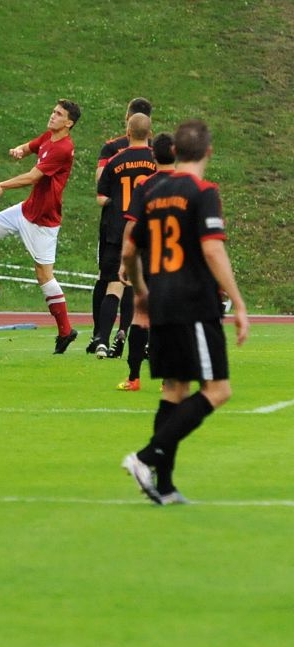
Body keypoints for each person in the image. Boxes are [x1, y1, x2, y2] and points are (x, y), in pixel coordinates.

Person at [120, 119, 248, 505]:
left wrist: (141, 290)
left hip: (161, 300)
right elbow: (211, 249)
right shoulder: (203, 191)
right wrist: (238, 302)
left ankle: (166, 484)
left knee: (175, 390)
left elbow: (129, 249)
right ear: (208, 152)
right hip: (194, 302)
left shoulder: (151, 189)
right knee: (218, 390)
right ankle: (143, 458)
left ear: (174, 152)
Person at [0, 99, 82, 353]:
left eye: (58, 114)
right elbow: (32, 146)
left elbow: (33, 177)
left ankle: (66, 331)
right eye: (53, 111)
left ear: (69, 123)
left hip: (44, 221)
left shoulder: (63, 148)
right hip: (27, 209)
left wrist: (0, 185)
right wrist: (20, 150)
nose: (52, 115)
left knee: (44, 275)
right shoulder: (49, 136)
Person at [88, 97, 154, 358]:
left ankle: (101, 339)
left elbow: (100, 196)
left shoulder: (115, 158)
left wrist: (116, 203)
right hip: (149, 230)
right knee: (147, 287)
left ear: (128, 129)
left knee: (113, 283)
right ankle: (143, 342)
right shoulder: (157, 159)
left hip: (117, 228)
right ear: (149, 132)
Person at [115, 131, 175, 391]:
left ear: (153, 154)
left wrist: (124, 261)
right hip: (177, 261)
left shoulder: (144, 186)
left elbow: (131, 225)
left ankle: (134, 378)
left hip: (148, 258)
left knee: (141, 315)